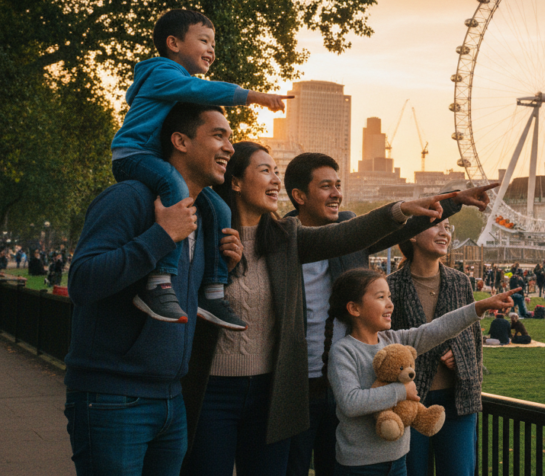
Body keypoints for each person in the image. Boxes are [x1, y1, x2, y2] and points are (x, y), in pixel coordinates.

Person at [180, 141, 458, 476]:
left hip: (320, 387)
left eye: (275, 172)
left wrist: (441, 204)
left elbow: (355, 233)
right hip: (278, 388)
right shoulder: (213, 237)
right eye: (265, 170)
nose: (273, 181)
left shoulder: (286, 238)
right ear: (236, 181)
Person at [283, 154, 492, 476]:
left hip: (353, 386)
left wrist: (454, 202)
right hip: (296, 388)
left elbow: (403, 227)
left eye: (339, 185)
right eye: (326, 186)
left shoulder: (351, 234)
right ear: (299, 196)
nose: (337, 193)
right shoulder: (281, 241)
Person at [64, 103, 244, 475]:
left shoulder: (206, 215)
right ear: (180, 141)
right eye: (218, 135)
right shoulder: (128, 198)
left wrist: (220, 270)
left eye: (231, 138)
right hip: (113, 399)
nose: (230, 148)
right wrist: (162, 235)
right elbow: (82, 281)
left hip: (171, 400)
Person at [111, 9, 291, 329]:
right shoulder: (163, 74)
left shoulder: (173, 84)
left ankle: (213, 291)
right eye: (204, 40)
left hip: (155, 157)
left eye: (214, 44)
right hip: (133, 154)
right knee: (176, 188)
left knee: (220, 209)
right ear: (173, 43)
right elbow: (201, 91)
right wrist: (254, 96)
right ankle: (159, 283)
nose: (212, 49)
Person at [326, 268, 516, 476]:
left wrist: (479, 307)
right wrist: (401, 391)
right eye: (381, 297)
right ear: (354, 308)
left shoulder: (393, 340)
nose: (390, 304)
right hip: (359, 467)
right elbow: (350, 402)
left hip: (398, 463)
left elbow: (437, 329)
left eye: (389, 296)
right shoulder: (343, 351)